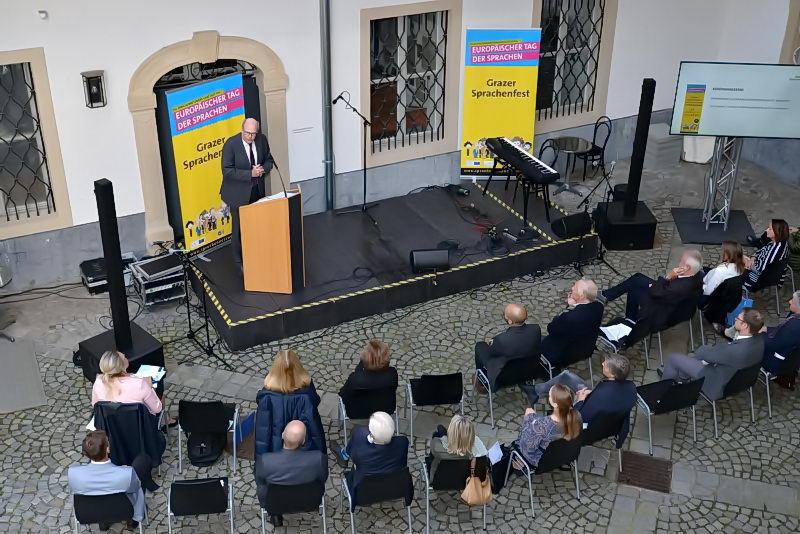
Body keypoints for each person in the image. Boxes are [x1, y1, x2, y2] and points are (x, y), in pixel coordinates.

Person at [525, 354, 637, 445]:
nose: (603, 363)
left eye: (606, 364)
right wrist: (591, 394)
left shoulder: (601, 396)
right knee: (567, 376)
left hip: (586, 426)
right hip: (601, 405)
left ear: (612, 374)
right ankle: (535, 391)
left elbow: (581, 419)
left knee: (562, 398)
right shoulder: (631, 388)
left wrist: (580, 400)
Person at [660, 308, 764, 400]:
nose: (735, 319)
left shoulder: (734, 350)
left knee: (673, 359)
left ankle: (663, 394)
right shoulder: (760, 340)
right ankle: (682, 379)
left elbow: (709, 356)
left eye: (738, 318)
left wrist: (712, 355)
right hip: (736, 378)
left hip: (715, 382)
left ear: (745, 325)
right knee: (703, 349)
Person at [68, 430, 156, 530]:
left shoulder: (73, 473)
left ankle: (103, 523)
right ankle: (132, 521)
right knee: (143, 460)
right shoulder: (126, 473)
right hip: (124, 510)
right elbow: (135, 488)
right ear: (107, 449)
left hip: (89, 512)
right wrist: (124, 470)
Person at [597, 250, 703, 331]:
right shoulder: (698, 275)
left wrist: (668, 277)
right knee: (637, 279)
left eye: (681, 261)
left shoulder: (681, 286)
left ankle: (629, 321)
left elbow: (656, 292)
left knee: (635, 288)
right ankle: (625, 315)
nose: (678, 263)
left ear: (687, 267)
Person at [220, 117, 275, 266]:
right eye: (247, 133)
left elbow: (269, 160)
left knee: (257, 224)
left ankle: (256, 254)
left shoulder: (261, 140)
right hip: (237, 194)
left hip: (257, 190)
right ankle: (239, 262)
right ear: (242, 130)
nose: (250, 137)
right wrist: (250, 174)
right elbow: (227, 171)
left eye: (253, 133)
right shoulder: (231, 144)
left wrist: (262, 169)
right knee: (238, 229)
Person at [255, 420, 328, 527]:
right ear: (303, 440)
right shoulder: (318, 458)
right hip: (310, 503)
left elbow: (260, 484)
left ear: (282, 435)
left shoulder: (265, 461)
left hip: (275, 504)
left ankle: (276, 517)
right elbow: (323, 479)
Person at [255, 350, 326, 455]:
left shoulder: (267, 397)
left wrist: (261, 460)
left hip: (275, 446)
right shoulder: (307, 392)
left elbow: (263, 432)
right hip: (301, 445)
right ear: (298, 366)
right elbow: (314, 419)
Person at [91, 350, 176, 425]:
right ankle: (166, 420)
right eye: (124, 357)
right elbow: (157, 409)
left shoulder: (98, 382)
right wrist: (150, 388)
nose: (125, 356)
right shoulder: (139, 384)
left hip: (112, 428)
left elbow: (95, 406)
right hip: (141, 427)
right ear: (122, 365)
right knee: (160, 392)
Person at [540, 279, 604, 371]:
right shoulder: (599, 307)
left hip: (562, 355)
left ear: (581, 295)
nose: (572, 288)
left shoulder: (570, 318)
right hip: (585, 349)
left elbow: (551, 328)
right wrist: (575, 305)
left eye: (575, 287)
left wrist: (568, 308)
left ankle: (544, 371)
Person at [342, 411, 409, 499]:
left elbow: (354, 455)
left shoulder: (361, 445)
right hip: (395, 489)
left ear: (371, 435)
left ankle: (344, 454)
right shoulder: (403, 442)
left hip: (363, 493)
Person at [474, 304, 541, 390]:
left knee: (480, 346)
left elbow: (492, 353)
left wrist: (492, 344)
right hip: (529, 373)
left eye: (505, 315)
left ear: (510, 321)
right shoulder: (536, 329)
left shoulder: (501, 340)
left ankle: (482, 378)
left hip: (504, 379)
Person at [514, 384, 581, 468]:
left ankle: (519, 463)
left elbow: (527, 449)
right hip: (564, 455)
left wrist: (528, 426)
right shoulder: (577, 417)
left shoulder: (541, 425)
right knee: (530, 412)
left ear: (555, 404)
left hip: (541, 461)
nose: (548, 397)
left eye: (549, 396)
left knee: (529, 412)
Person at [426, 414, 488, 481]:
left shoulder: (437, 446)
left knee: (436, 434)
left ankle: (448, 433)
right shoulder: (478, 451)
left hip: (440, 480)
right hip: (465, 480)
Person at [761, 291, 800, 385]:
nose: (790, 301)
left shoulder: (794, 326)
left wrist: (758, 334)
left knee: (751, 341)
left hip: (776, 362)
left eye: (793, 300)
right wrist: (768, 329)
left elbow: (771, 344)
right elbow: (782, 332)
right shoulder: (796, 318)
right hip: (790, 357)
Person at [743, 219, 790, 291]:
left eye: (770, 229)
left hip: (758, 279)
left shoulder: (775, 250)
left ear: (777, 232)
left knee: (732, 268)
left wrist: (747, 263)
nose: (766, 230)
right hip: (760, 269)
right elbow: (761, 250)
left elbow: (759, 270)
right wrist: (752, 258)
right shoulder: (778, 242)